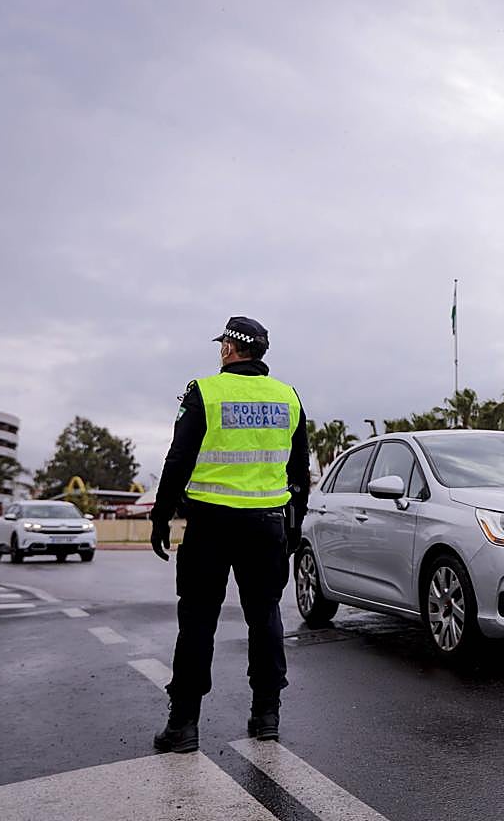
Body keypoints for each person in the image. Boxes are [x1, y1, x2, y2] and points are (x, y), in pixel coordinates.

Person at [150, 316, 310, 753]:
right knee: (265, 617)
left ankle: (184, 724)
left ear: (229, 349)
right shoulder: (288, 397)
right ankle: (266, 716)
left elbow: (178, 458)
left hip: (210, 524)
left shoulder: (205, 391)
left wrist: (160, 515)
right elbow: (299, 471)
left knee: (199, 619)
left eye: (223, 343)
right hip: (266, 524)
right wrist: (293, 522)